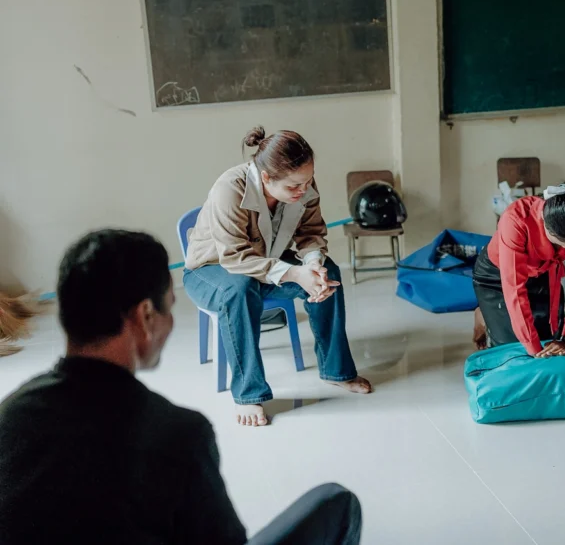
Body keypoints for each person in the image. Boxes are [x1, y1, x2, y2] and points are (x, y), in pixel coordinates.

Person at [0, 229, 362, 545]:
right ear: (145, 317)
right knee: (336, 504)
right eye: (169, 308)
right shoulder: (178, 435)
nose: (170, 323)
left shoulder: (11, 412)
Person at [184, 127, 370, 427]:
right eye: (296, 185)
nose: (304, 190)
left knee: (329, 272)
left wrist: (312, 265)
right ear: (267, 178)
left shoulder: (301, 183)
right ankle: (249, 395)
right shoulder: (229, 188)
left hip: (266, 260)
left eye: (308, 180)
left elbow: (311, 234)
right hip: (212, 269)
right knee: (240, 289)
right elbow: (233, 256)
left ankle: (336, 371)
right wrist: (295, 273)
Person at [471, 181, 565, 358]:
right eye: (557, 242)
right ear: (544, 221)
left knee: (551, 341)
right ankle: (485, 313)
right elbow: (514, 289)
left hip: (543, 271)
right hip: (497, 277)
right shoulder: (515, 219)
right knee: (516, 351)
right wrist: (535, 351)